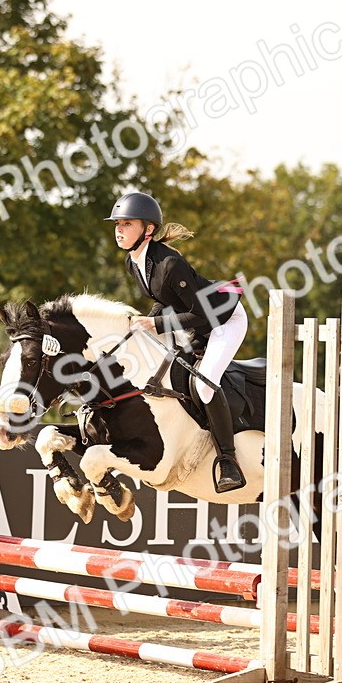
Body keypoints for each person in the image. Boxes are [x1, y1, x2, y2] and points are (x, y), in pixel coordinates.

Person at [108, 192, 247, 493]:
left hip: (224, 321)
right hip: (198, 322)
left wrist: (155, 324)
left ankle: (228, 460)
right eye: (117, 224)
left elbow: (199, 312)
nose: (119, 230)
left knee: (204, 384)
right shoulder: (133, 262)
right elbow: (164, 300)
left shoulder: (170, 263)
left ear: (148, 229)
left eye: (126, 224)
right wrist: (144, 323)